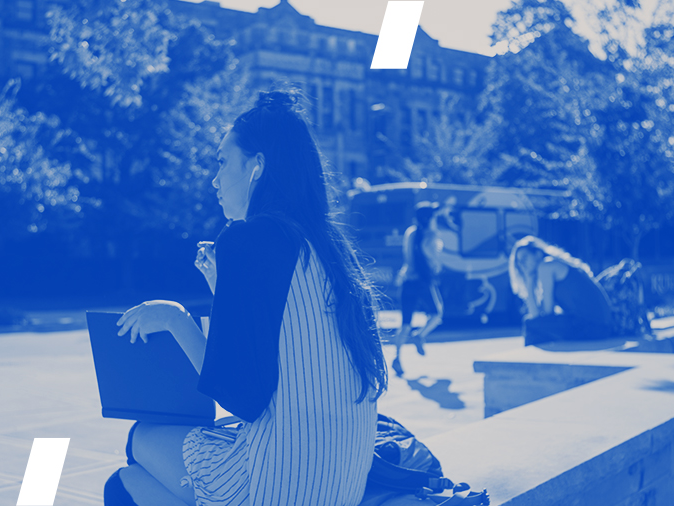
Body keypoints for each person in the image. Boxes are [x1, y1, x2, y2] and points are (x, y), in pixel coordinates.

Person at [106, 90, 387, 506]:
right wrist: (224, 287)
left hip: (273, 481)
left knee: (136, 449)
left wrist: (174, 319)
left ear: (257, 167)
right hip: (339, 481)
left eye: (222, 162)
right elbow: (286, 350)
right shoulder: (331, 247)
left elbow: (239, 395)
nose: (215, 179)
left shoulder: (248, 238)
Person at [508, 236, 612, 344]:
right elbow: (538, 315)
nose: (522, 265)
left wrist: (529, 282)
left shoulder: (546, 266)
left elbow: (547, 314)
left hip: (594, 326)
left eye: (524, 258)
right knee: (532, 323)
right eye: (519, 262)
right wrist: (529, 281)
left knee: (531, 324)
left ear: (538, 254)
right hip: (599, 326)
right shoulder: (551, 265)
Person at [390, 201, 444, 377]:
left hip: (407, 280)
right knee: (437, 314)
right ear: (429, 219)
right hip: (423, 282)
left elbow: (409, 257)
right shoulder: (431, 237)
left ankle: (397, 358)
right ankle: (420, 335)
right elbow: (435, 263)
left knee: (405, 323)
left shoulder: (411, 233)